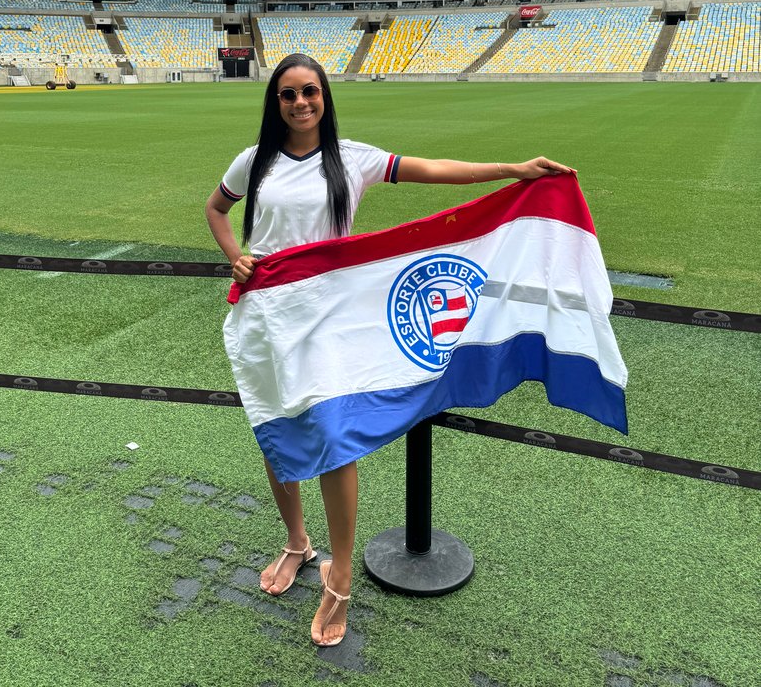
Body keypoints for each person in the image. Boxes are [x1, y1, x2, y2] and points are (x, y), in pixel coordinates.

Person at [205, 52, 575, 648]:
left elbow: (430, 168)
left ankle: (340, 577)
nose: (300, 103)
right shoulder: (255, 161)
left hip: (327, 317)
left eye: (310, 92)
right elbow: (216, 209)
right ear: (274, 104)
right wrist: (234, 254)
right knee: (274, 429)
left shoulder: (352, 159)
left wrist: (512, 170)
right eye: (288, 95)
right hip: (267, 315)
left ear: (325, 96)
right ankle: (298, 544)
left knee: (332, 436)